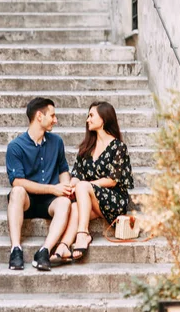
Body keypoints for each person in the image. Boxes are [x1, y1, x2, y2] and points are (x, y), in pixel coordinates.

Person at [49, 100, 134, 266]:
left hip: (115, 200)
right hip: (92, 198)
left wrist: (85, 186)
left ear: (103, 119)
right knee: (74, 206)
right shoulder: (87, 147)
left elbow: (112, 180)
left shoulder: (118, 147)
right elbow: (77, 174)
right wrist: (71, 186)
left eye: (91, 115)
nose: (87, 119)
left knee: (83, 186)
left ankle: (83, 233)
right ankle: (64, 246)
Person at [6, 97, 72, 271]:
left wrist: (66, 187)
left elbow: (63, 169)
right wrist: (53, 188)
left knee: (65, 202)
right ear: (39, 116)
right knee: (17, 190)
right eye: (52, 115)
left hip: (50, 202)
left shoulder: (57, 142)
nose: (56, 120)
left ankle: (44, 251)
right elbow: (17, 181)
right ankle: (16, 250)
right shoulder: (15, 146)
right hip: (27, 201)